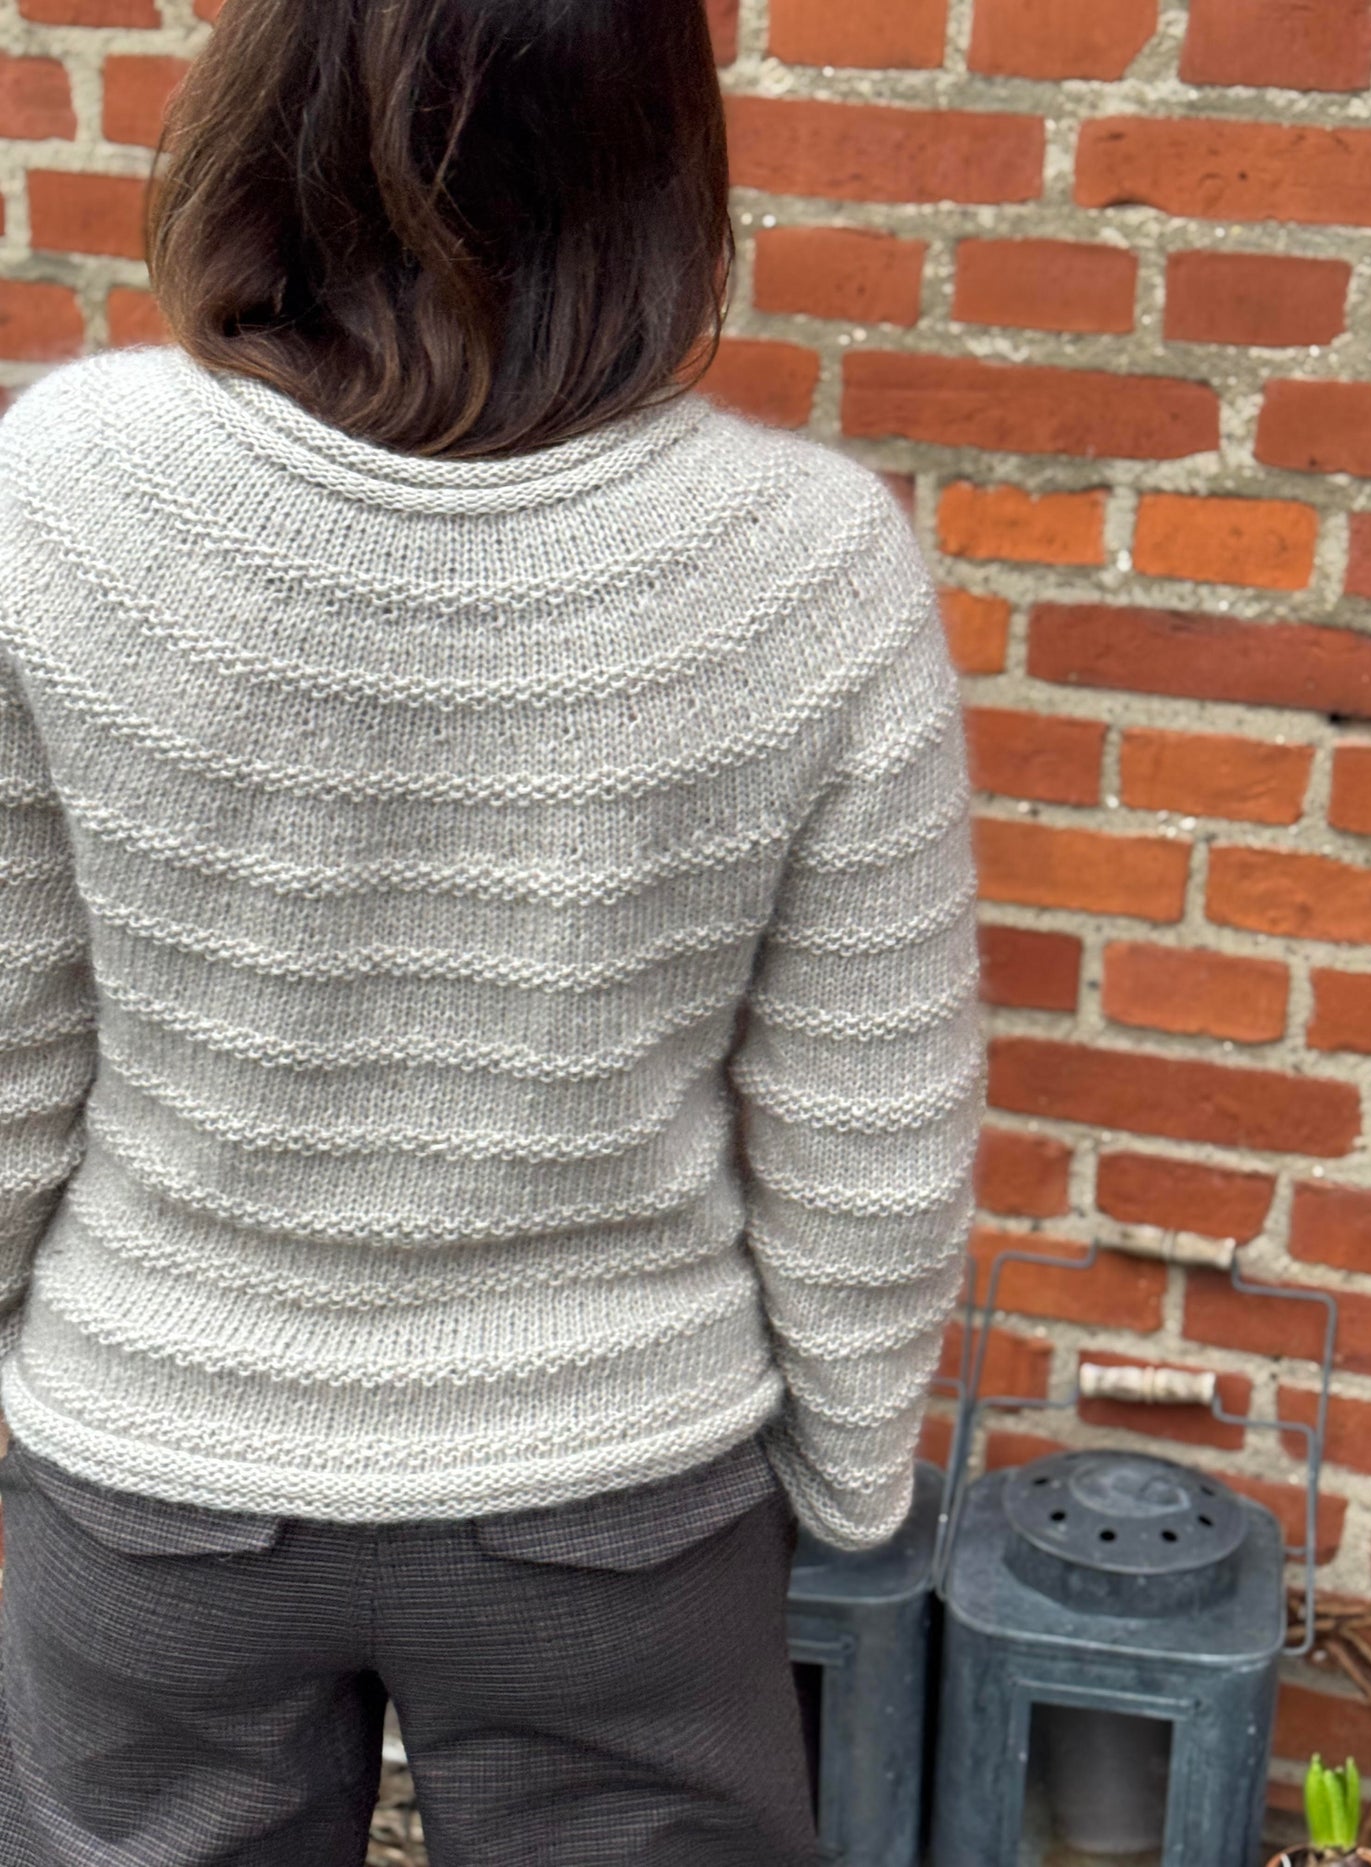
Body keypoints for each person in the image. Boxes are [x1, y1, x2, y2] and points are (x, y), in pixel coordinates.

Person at [0, 0, 985, 1860]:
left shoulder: (58, 490)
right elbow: (871, 1108)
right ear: (659, 157)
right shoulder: (812, 564)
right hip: (621, 1496)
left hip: (152, 1473)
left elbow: (10, 1033)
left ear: (272, 95)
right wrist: (847, 1471)